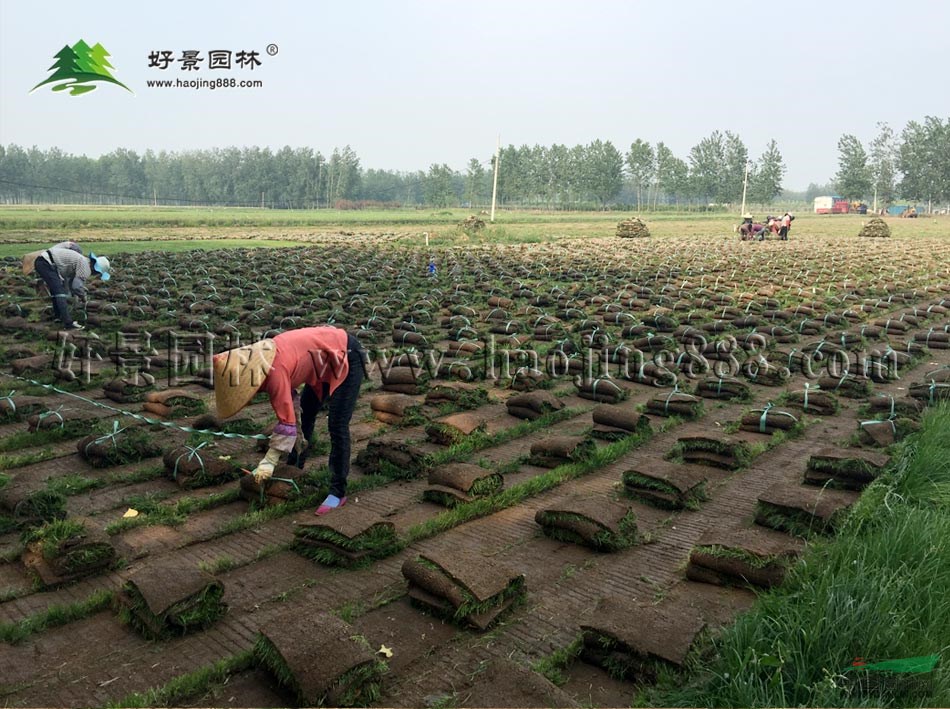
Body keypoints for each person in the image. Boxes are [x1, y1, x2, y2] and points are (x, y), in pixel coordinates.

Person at [213, 326, 365, 515]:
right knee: (307, 414)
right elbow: (292, 410)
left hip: (345, 353)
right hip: (321, 362)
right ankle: (294, 470)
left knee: (337, 423)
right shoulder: (261, 362)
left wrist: (269, 461)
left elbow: (287, 423)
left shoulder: (274, 372)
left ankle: (337, 491)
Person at [23, 243, 111, 330]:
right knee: (60, 292)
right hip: (46, 263)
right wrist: (83, 296)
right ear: (96, 270)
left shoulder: (82, 262)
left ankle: (58, 317)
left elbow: (71, 284)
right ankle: (68, 323)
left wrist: (74, 294)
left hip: (43, 261)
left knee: (57, 291)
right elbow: (76, 286)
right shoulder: (86, 267)